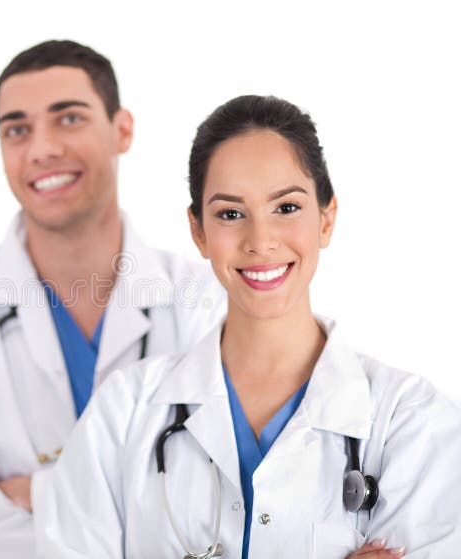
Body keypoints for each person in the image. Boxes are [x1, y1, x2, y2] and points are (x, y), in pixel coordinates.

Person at [38, 95, 461, 559]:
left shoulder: (412, 424)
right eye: (230, 214)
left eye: (286, 208)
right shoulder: (123, 416)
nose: (261, 241)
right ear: (198, 231)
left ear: (327, 218)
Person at [0, 40, 225, 558]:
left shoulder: (206, 302)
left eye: (69, 119)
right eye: (17, 129)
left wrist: (39, 493)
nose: (41, 148)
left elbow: (233, 504)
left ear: (122, 130)